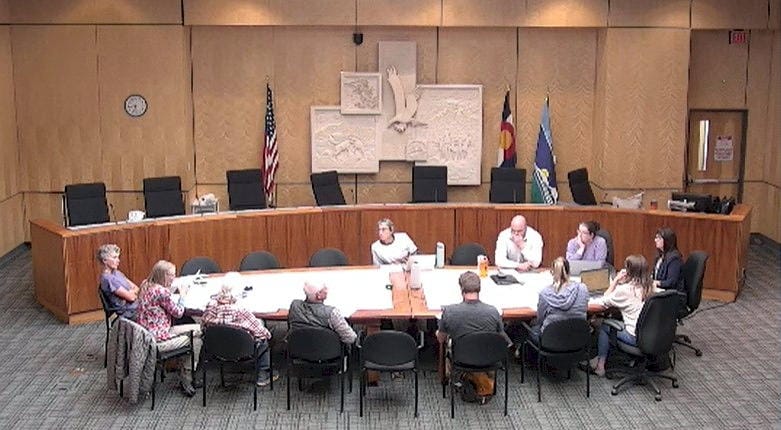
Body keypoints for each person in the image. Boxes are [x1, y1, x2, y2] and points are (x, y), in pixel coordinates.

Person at [136, 260, 203, 396]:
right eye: (171, 275)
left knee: (197, 330)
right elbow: (178, 313)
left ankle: (184, 372)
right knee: (197, 336)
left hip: (147, 335)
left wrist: (170, 290)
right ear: (163, 275)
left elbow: (160, 298)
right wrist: (183, 294)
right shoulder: (161, 292)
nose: (174, 278)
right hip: (158, 340)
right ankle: (187, 378)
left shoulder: (146, 285)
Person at [589, 255, 657, 376]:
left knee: (604, 325)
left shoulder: (625, 290)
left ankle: (600, 366)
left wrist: (616, 281)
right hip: (654, 335)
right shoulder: (651, 286)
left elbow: (604, 299)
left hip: (635, 337)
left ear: (629, 272)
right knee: (616, 316)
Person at [201, 279, 278, 387]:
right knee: (264, 339)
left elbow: (203, 325)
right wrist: (269, 333)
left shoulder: (210, 306)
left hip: (217, 349)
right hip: (242, 348)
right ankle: (262, 374)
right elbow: (263, 333)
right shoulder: (241, 311)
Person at [436, 272, 510, 344]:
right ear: (479, 289)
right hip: (488, 351)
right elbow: (503, 339)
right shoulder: (493, 312)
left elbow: (441, 339)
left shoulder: (449, 312)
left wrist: (439, 329)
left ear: (461, 289)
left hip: (461, 352)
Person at [529, 257, 589, 344]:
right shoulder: (582, 288)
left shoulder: (545, 293)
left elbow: (540, 320)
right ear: (569, 271)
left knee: (532, 329)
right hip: (577, 339)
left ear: (552, 272)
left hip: (551, 341)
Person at [288, 282, 357, 345]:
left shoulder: (294, 306)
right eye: (324, 288)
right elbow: (350, 338)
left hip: (298, 350)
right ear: (319, 295)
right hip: (329, 352)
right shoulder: (332, 313)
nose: (327, 289)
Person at [97, 244, 139, 319]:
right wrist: (131, 292)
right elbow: (131, 298)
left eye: (118, 257)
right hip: (130, 311)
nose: (118, 260)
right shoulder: (108, 279)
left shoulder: (117, 273)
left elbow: (137, 288)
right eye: (114, 257)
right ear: (105, 260)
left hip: (136, 306)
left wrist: (131, 292)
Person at [652, 227, 685, 308]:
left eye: (659, 238)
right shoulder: (660, 256)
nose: (655, 240)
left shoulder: (674, 258)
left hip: (672, 296)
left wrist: (657, 283)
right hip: (661, 291)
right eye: (656, 237)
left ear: (667, 240)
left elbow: (671, 282)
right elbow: (655, 275)